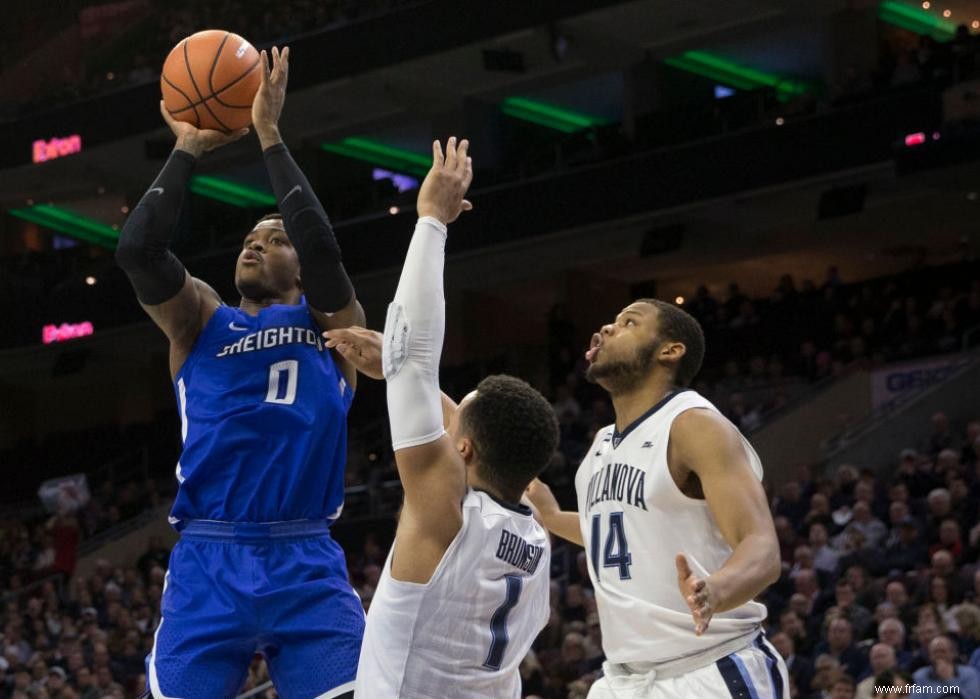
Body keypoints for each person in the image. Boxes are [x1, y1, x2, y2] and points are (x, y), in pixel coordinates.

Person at [116, 46, 365, 698]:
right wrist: (191, 146)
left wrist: (270, 134)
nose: (256, 241)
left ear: (301, 268)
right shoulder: (201, 317)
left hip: (303, 557)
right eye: (251, 236)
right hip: (208, 556)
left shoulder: (334, 325)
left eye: (275, 237)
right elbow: (138, 249)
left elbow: (323, 246)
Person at [324, 138, 560, 697]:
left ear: (465, 448)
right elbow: (486, 432)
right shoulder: (534, 526)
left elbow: (414, 355)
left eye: (459, 415)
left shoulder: (444, 515)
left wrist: (432, 220)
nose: (450, 412)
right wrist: (406, 377)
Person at [526, 299, 787, 697]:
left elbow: (762, 547)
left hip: (708, 668)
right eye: (611, 322)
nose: (609, 329)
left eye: (629, 322)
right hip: (623, 680)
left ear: (670, 350)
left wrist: (716, 590)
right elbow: (623, 531)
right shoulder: (600, 446)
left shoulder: (694, 424)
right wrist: (550, 516)